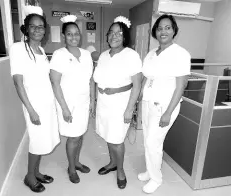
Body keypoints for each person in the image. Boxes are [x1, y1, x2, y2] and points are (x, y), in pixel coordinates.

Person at [9, 6, 60, 193]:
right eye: (34, 26)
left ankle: (36, 172)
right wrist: (31, 110)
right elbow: (18, 82)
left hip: (47, 103)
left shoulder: (40, 49)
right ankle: (29, 176)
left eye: (41, 27)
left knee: (43, 139)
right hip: (34, 104)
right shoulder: (18, 48)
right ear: (26, 29)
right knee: (36, 140)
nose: (38, 30)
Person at [138, 14, 191, 194]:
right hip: (148, 103)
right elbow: (147, 78)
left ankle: (156, 178)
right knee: (147, 140)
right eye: (160, 28)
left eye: (167, 28)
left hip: (165, 107)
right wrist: (140, 99)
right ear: (155, 32)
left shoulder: (180, 54)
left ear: (174, 30)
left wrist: (168, 112)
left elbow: (181, 86)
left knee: (154, 142)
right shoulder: (152, 53)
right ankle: (150, 170)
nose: (163, 31)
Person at [93, 16, 142, 189]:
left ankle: (120, 169)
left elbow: (137, 85)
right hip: (103, 103)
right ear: (107, 36)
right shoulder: (104, 55)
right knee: (108, 135)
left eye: (118, 33)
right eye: (111, 33)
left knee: (117, 139)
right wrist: (95, 101)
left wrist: (130, 109)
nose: (114, 36)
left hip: (120, 104)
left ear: (125, 36)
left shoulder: (132, 55)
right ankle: (112, 163)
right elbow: (96, 80)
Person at [49, 15, 95, 184]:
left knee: (80, 134)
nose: (73, 37)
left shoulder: (86, 54)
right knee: (73, 137)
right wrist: (65, 108)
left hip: (84, 102)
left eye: (76, 33)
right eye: (69, 34)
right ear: (63, 36)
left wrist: (93, 101)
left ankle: (76, 162)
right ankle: (71, 167)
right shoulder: (59, 55)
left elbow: (90, 80)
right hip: (67, 103)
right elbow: (55, 82)